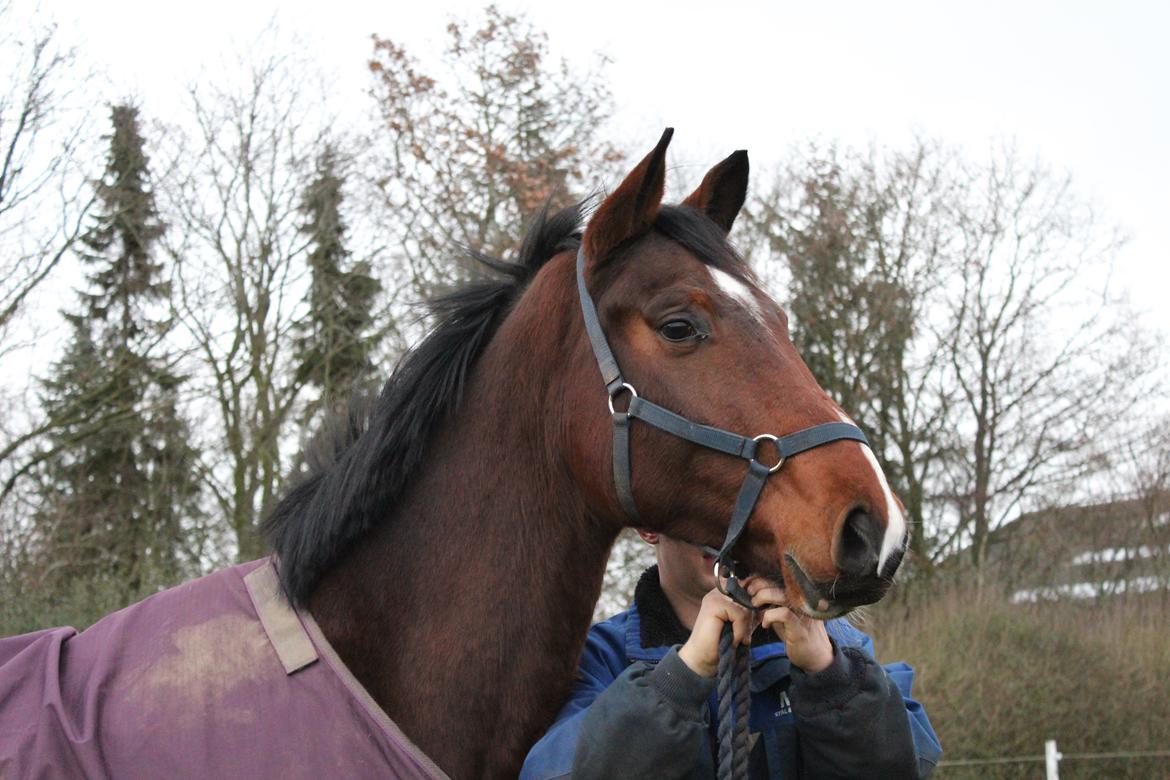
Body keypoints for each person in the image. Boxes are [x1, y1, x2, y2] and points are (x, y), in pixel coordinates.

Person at [521, 530, 941, 779]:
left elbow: (909, 761)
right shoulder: (600, 655)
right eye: (699, 498)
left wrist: (828, 673)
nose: (727, 525)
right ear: (649, 526)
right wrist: (679, 680)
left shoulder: (832, 643)